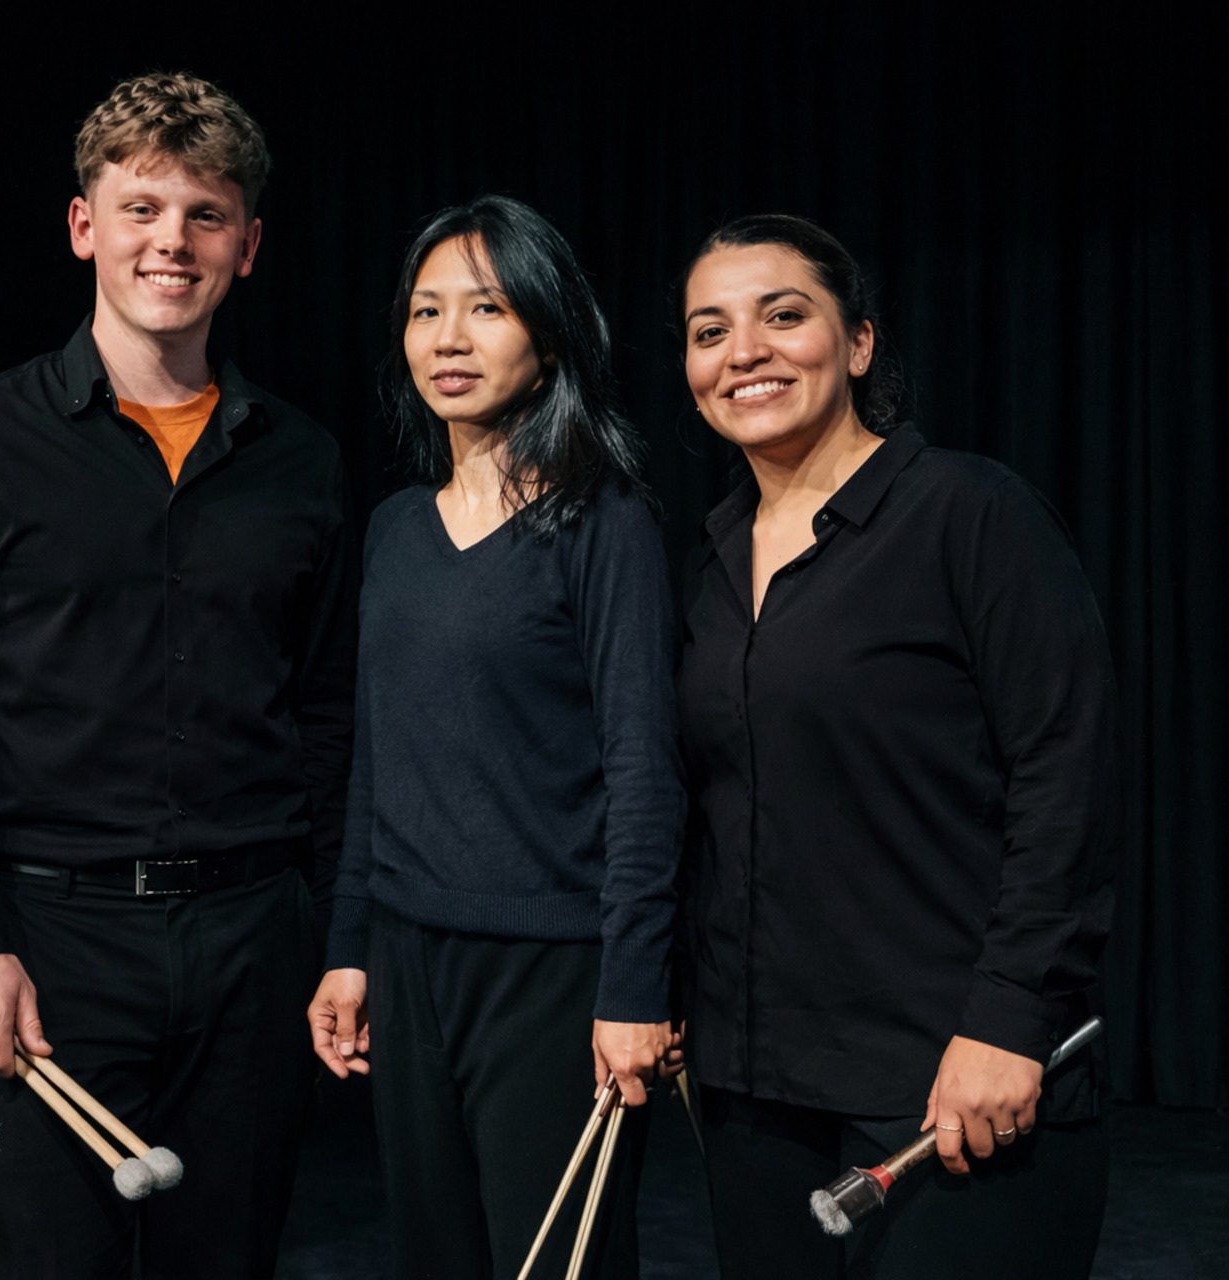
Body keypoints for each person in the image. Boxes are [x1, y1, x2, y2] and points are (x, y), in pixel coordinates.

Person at [0, 71, 356, 1279]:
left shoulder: (302, 461)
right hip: (44, 943)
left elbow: (332, 714)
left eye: (204, 214)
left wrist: (336, 934)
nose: (170, 241)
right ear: (85, 226)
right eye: (142, 208)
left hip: (252, 943)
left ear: (247, 245)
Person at [675, 214, 1116, 1279]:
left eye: (784, 316)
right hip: (754, 1091)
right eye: (710, 330)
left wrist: (1009, 1020)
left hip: (946, 1079)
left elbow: (1067, 777)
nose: (745, 352)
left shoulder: (971, 513)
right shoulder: (709, 559)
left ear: (860, 341)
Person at [306, 195, 684, 1280]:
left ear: (550, 337)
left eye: (487, 308)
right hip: (408, 957)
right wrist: (347, 945)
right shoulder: (395, 529)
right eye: (426, 311)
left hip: (553, 970)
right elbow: (376, 759)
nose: (449, 339)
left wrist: (634, 987)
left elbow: (645, 771)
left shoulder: (604, 522)